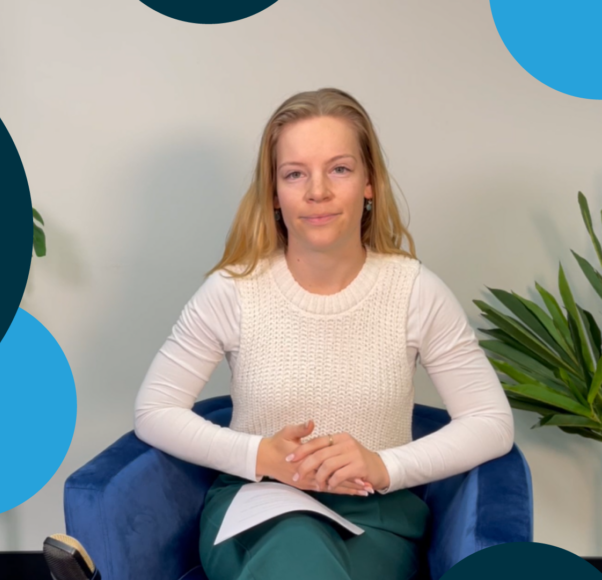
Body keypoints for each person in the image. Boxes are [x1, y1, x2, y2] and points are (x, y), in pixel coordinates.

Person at [132, 87, 514, 580]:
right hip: (257, 509)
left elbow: (490, 422)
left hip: (375, 521)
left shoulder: (416, 291)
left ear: (369, 182)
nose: (318, 192)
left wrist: (382, 466)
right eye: (295, 174)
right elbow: (154, 411)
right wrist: (260, 455)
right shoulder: (232, 291)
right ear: (274, 192)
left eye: (339, 169)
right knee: (293, 546)